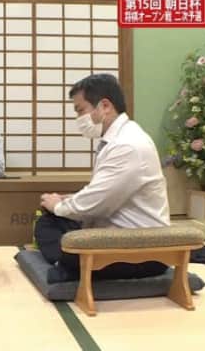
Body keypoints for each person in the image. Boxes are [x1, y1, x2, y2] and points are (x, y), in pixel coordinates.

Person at [34, 73, 170, 282]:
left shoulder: (127, 145)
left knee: (53, 223)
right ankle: (69, 263)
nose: (79, 118)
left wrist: (58, 205)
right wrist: (66, 200)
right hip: (114, 231)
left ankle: (69, 266)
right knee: (49, 222)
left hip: (139, 247)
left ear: (105, 106)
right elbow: (102, 193)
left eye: (80, 110)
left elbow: (96, 203)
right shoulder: (120, 137)